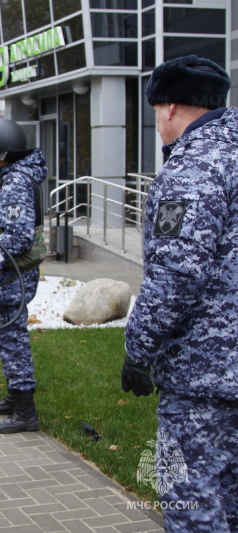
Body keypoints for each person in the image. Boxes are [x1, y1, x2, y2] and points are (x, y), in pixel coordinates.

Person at [122, 55, 238, 532]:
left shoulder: (191, 168)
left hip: (202, 380)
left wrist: (137, 351)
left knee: (193, 505)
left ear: (168, 107)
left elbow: (176, 276)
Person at [0, 118, 47, 434]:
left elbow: (16, 238)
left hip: (13, 275)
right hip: (12, 273)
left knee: (13, 338)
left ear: (2, 153)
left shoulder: (16, 182)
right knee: (7, 334)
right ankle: (14, 398)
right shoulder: (15, 176)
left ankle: (26, 412)